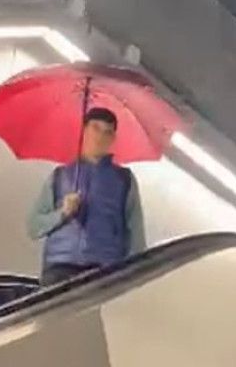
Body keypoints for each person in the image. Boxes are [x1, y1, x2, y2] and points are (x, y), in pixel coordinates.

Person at [26, 106, 146, 286]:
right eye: (95, 128)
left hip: (105, 270)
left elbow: (136, 236)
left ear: (113, 139)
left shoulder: (124, 180)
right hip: (60, 268)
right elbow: (33, 226)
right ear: (84, 130)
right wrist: (62, 213)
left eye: (107, 132)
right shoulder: (59, 176)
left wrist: (132, 277)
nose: (100, 136)